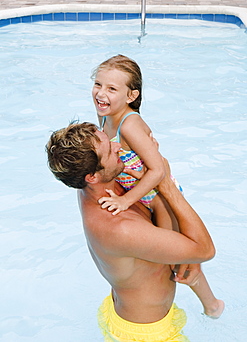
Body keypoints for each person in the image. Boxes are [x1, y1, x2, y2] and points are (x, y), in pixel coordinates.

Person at [46, 121, 219, 342]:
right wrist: (166, 184)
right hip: (147, 334)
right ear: (92, 176)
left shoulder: (94, 185)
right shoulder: (120, 228)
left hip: (129, 311)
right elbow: (205, 250)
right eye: (110, 150)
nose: (119, 148)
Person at [91, 54, 224, 319]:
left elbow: (159, 171)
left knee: (178, 257)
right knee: (165, 257)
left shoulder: (130, 125)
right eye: (98, 84)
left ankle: (211, 304)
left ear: (131, 96)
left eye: (111, 88)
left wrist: (126, 202)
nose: (101, 93)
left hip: (158, 197)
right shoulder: (104, 115)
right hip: (140, 191)